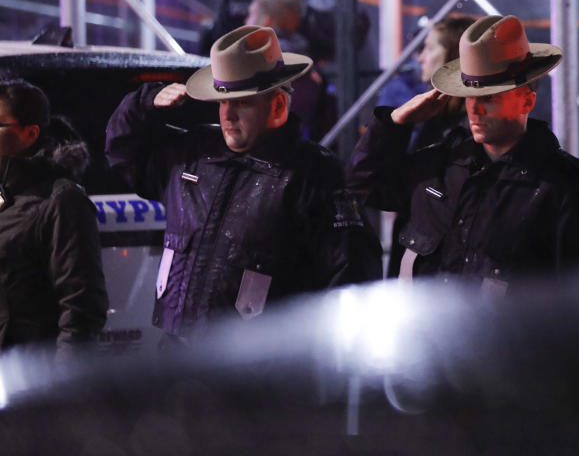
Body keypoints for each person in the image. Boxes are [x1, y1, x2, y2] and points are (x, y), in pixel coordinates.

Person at [106, 26, 381, 343]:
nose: (228, 114)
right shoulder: (191, 156)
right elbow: (122, 153)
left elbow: (351, 274)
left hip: (260, 373)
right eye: (223, 101)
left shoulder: (312, 175)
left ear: (277, 107)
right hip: (181, 360)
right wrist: (145, 102)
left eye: (242, 102)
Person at [348, 15, 579, 287]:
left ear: (527, 99)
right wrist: (394, 123)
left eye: (489, 98)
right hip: (428, 329)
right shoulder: (439, 166)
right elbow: (364, 184)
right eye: (469, 97)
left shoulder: (566, 184)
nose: (474, 110)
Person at [0, 79, 107, 356]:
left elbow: (81, 307)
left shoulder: (61, 200)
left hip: (29, 377)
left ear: (30, 133)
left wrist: (59, 388)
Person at [379, 16, 475, 277]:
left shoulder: (463, 131)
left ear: (454, 57)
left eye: (429, 48)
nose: (420, 58)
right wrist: (395, 124)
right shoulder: (434, 121)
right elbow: (374, 187)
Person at [245, 0, 337, 139]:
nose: (245, 20)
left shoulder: (262, 58)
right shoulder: (304, 55)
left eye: (250, 15)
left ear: (266, 22)